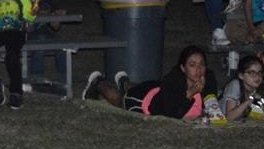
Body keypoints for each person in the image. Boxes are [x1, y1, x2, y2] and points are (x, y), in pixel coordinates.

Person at [82, 45, 218, 120]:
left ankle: (125, 83)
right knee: (120, 100)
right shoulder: (173, 82)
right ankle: (98, 83)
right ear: (183, 68)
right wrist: (190, 94)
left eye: (202, 65)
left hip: (154, 87)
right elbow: (169, 116)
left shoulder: (208, 78)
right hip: (145, 103)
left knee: (135, 88)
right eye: (192, 65)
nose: (198, 70)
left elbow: (212, 107)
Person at [23, 0, 68, 82]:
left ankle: (64, 77)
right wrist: (33, 13)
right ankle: (37, 77)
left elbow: (55, 27)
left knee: (61, 44)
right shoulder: (23, 1)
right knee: (40, 41)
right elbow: (25, 27)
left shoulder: (48, 2)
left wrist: (58, 17)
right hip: (26, 36)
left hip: (46, 34)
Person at [219, 55, 264, 121]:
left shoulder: (262, 86)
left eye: (259, 72)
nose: (257, 76)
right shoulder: (235, 85)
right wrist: (248, 102)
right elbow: (229, 117)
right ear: (241, 75)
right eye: (252, 73)